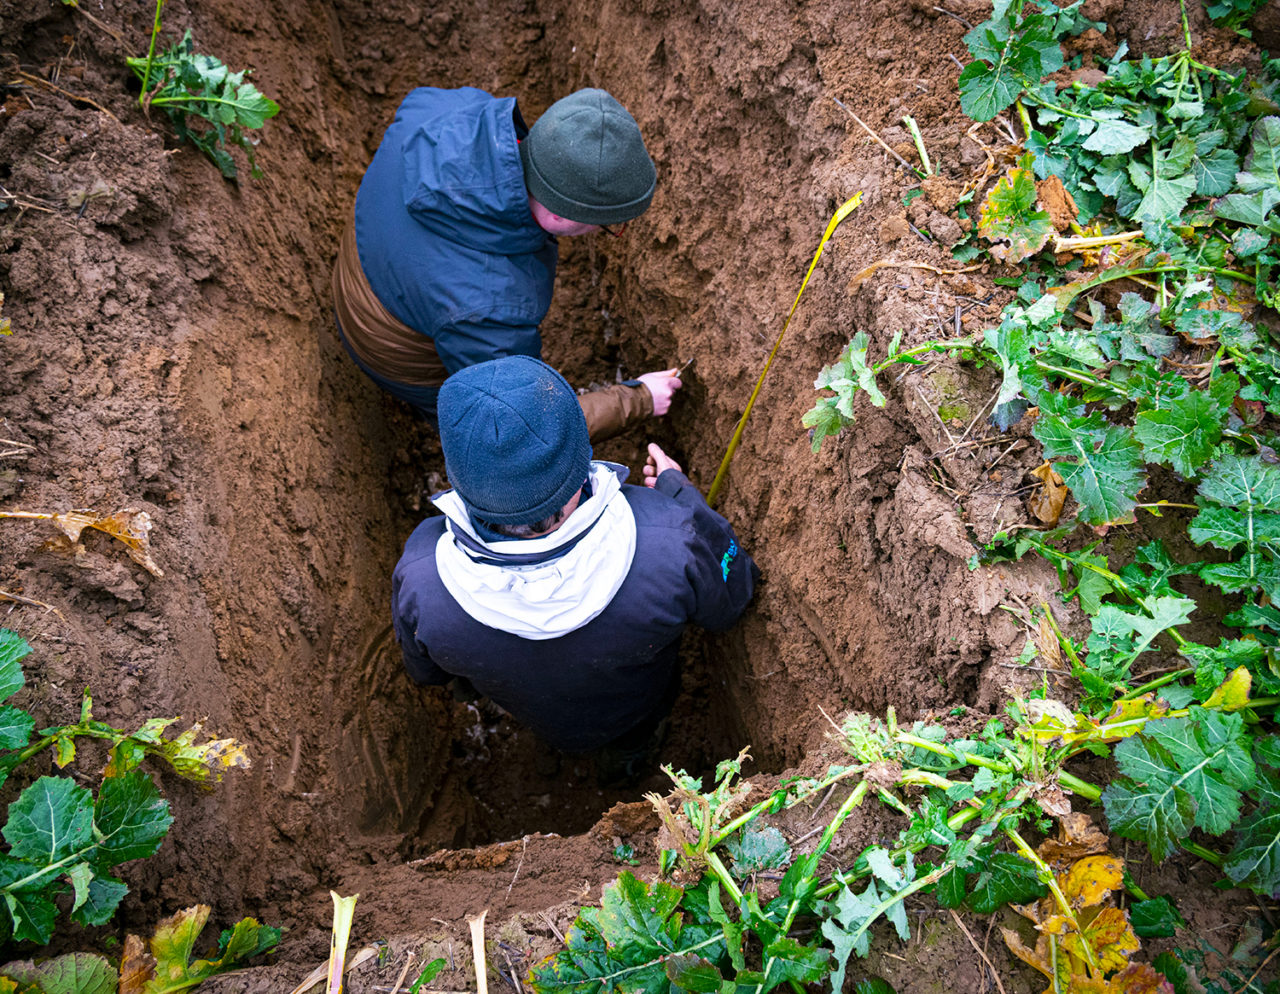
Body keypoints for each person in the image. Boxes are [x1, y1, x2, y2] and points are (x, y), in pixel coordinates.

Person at [391, 356, 758, 766]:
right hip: (637, 708)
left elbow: (427, 672)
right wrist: (683, 499)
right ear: (578, 463)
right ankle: (631, 762)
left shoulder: (422, 576)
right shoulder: (668, 538)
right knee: (634, 742)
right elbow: (734, 595)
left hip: (541, 718)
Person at [332, 85, 682, 438]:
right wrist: (638, 399)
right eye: (608, 224)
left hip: (366, 251)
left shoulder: (462, 108)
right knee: (488, 435)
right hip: (384, 345)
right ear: (560, 217)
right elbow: (522, 427)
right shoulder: (489, 304)